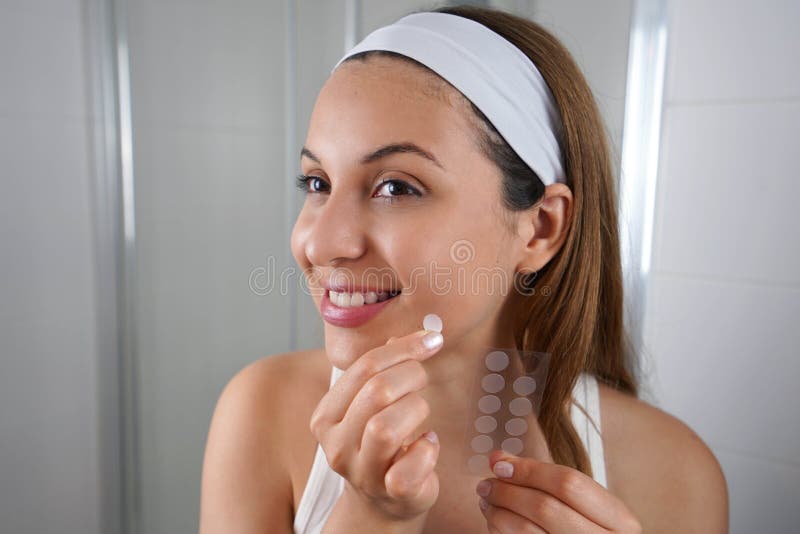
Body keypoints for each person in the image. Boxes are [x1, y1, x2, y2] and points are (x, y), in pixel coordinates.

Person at [200, 5, 728, 533]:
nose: (321, 242)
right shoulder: (263, 413)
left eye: (397, 188)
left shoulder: (672, 472)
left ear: (541, 227)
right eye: (317, 182)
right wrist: (369, 517)